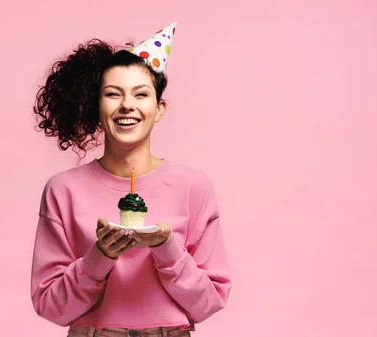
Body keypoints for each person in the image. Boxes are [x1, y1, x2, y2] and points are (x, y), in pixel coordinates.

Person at [30, 22, 232, 337]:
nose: (127, 105)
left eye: (141, 94)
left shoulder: (193, 187)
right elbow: (51, 307)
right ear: (97, 108)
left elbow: (208, 303)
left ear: (159, 108)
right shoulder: (63, 190)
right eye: (113, 94)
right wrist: (100, 256)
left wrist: (166, 248)